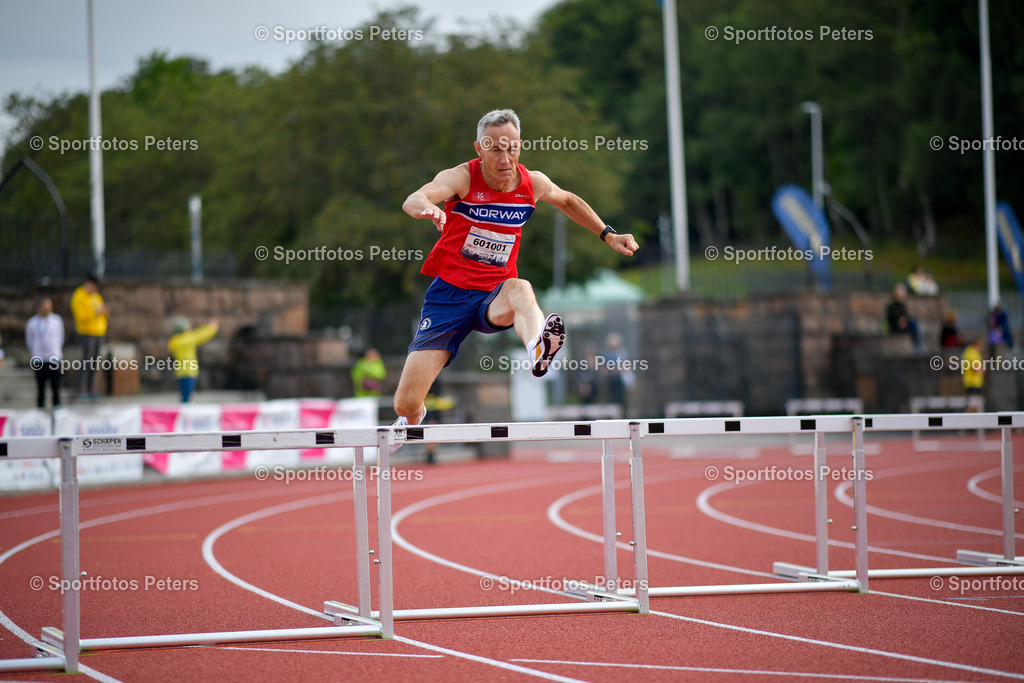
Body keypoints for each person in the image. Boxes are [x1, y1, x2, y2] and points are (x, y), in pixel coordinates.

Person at [394, 109, 638, 427]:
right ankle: (413, 417)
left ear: (520, 146)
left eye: (512, 148)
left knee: (521, 287)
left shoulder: (531, 183)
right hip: (449, 298)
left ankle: (538, 348)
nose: (505, 158)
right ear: (479, 149)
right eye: (495, 149)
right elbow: (414, 198)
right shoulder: (462, 178)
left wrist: (608, 234)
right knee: (405, 403)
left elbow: (567, 201)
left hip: (496, 294)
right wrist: (428, 208)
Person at [70, 274, 108, 399]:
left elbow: (101, 314)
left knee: (94, 362)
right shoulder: (79, 296)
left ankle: (92, 388)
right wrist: (96, 312)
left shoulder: (96, 297)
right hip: (86, 333)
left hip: (98, 333)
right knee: (86, 361)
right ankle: (80, 389)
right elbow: (80, 316)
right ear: (89, 283)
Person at [168, 316, 219, 402]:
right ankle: (185, 413)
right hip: (189, 371)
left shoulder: (174, 341)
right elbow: (200, 335)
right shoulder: (186, 340)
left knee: (184, 396)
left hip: (180, 372)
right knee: (186, 398)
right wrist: (211, 327)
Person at [26, 297, 64, 409]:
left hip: (54, 358)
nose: (48, 308)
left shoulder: (57, 320)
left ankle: (57, 412)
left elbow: (61, 338)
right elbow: (29, 340)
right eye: (45, 305)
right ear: (39, 308)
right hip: (39, 359)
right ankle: (40, 413)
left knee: (56, 387)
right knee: (40, 389)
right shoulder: (32, 322)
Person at [885, 283, 920, 349]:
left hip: (903, 324)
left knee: (914, 323)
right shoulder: (892, 306)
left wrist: (905, 320)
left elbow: (906, 315)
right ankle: (916, 345)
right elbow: (892, 318)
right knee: (913, 325)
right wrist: (900, 321)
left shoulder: (902, 305)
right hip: (895, 326)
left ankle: (916, 344)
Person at [962, 338, 985, 412]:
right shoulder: (970, 353)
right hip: (972, 382)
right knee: (973, 405)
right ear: (975, 344)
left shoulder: (975, 353)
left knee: (977, 404)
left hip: (976, 382)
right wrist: (981, 370)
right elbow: (975, 368)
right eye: (980, 345)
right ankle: (969, 420)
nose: (981, 348)